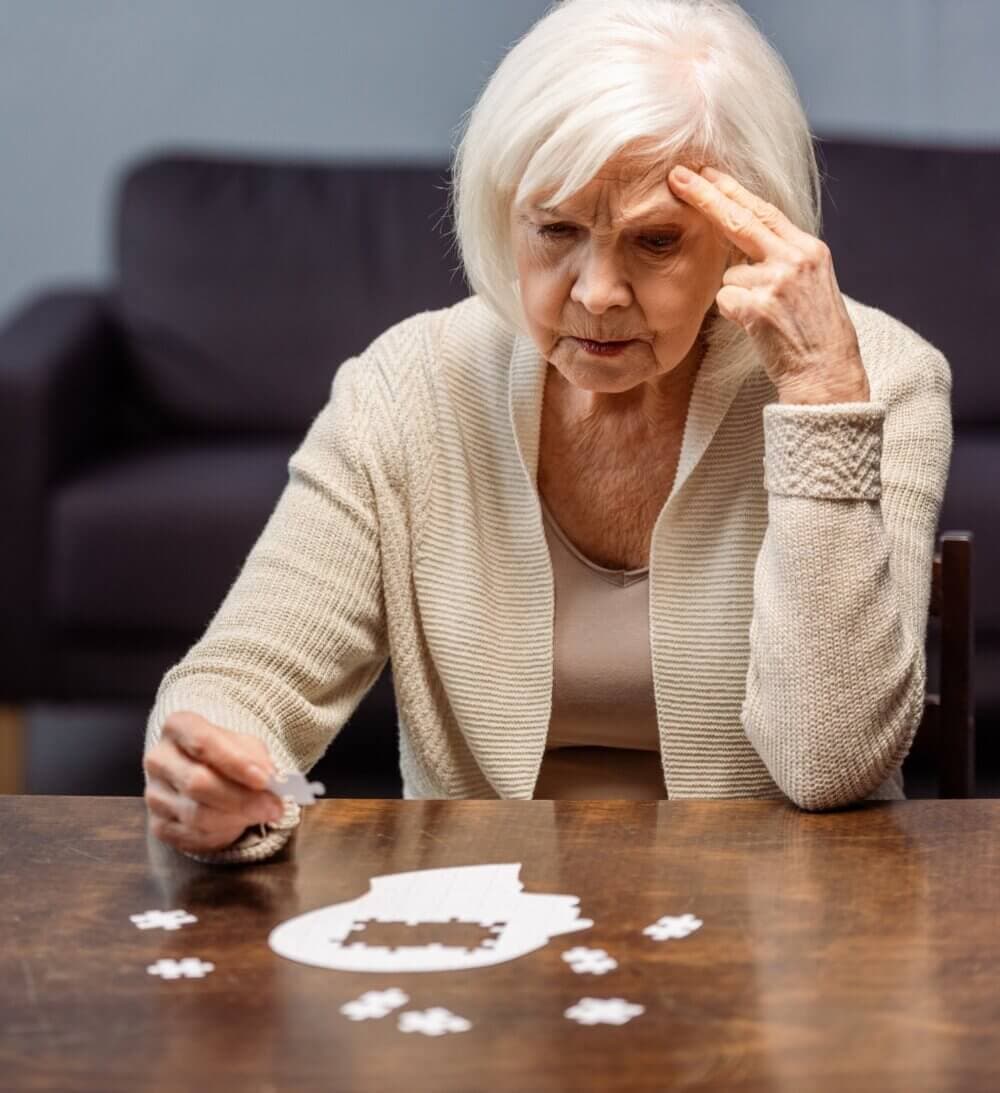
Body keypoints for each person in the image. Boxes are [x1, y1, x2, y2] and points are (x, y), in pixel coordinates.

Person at [142, 0, 953, 862]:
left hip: (780, 929)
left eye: (657, 240)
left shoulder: (881, 378)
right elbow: (242, 677)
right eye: (557, 229)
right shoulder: (407, 386)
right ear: (504, 214)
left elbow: (832, 765)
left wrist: (821, 398)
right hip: (479, 932)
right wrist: (211, 766)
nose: (598, 290)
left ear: (745, 235)